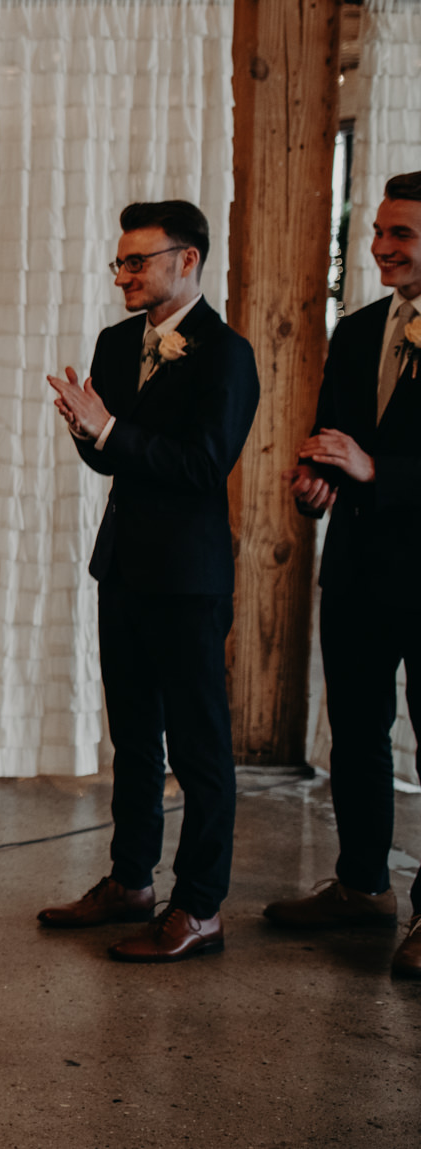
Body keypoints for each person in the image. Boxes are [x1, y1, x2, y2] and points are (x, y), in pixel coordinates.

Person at [40, 201, 260, 962]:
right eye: (121, 262)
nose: (125, 275)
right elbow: (114, 459)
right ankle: (131, 880)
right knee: (133, 738)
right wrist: (86, 430)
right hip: (124, 566)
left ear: (187, 260)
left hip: (189, 576)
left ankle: (199, 906)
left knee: (198, 748)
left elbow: (203, 466)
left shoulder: (227, 355)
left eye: (139, 261)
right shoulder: (114, 341)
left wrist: (107, 428)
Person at [269, 172, 421, 979]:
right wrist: (315, 477)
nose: (381, 249)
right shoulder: (359, 328)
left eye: (402, 236)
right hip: (359, 572)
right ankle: (363, 885)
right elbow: (333, 434)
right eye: (378, 234)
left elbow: (372, 456)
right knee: (356, 738)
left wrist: (375, 468)